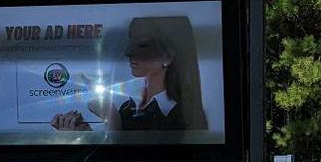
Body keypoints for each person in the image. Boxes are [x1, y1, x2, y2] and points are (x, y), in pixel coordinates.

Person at [50, 16, 208, 135]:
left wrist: (110, 117)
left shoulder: (181, 119)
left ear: (167, 57)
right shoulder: (128, 108)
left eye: (142, 45)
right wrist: (84, 133)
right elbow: (115, 160)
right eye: (131, 43)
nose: (128, 52)